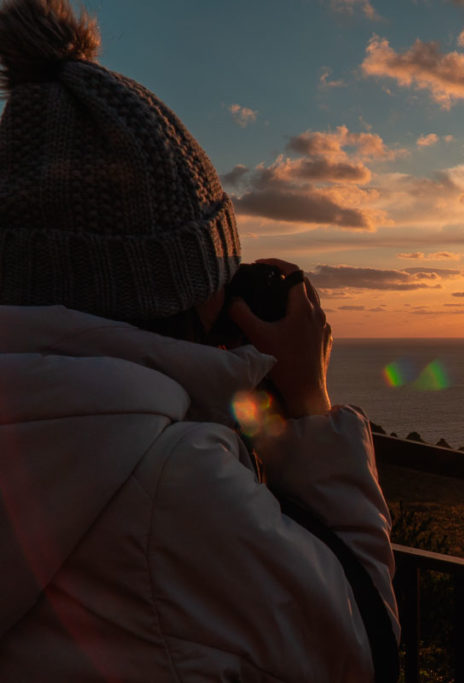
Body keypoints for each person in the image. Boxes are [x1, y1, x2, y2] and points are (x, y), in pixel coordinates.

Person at [0, 0, 398, 680]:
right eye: (218, 269)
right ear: (188, 290)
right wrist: (306, 404)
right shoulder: (182, 487)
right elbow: (362, 647)